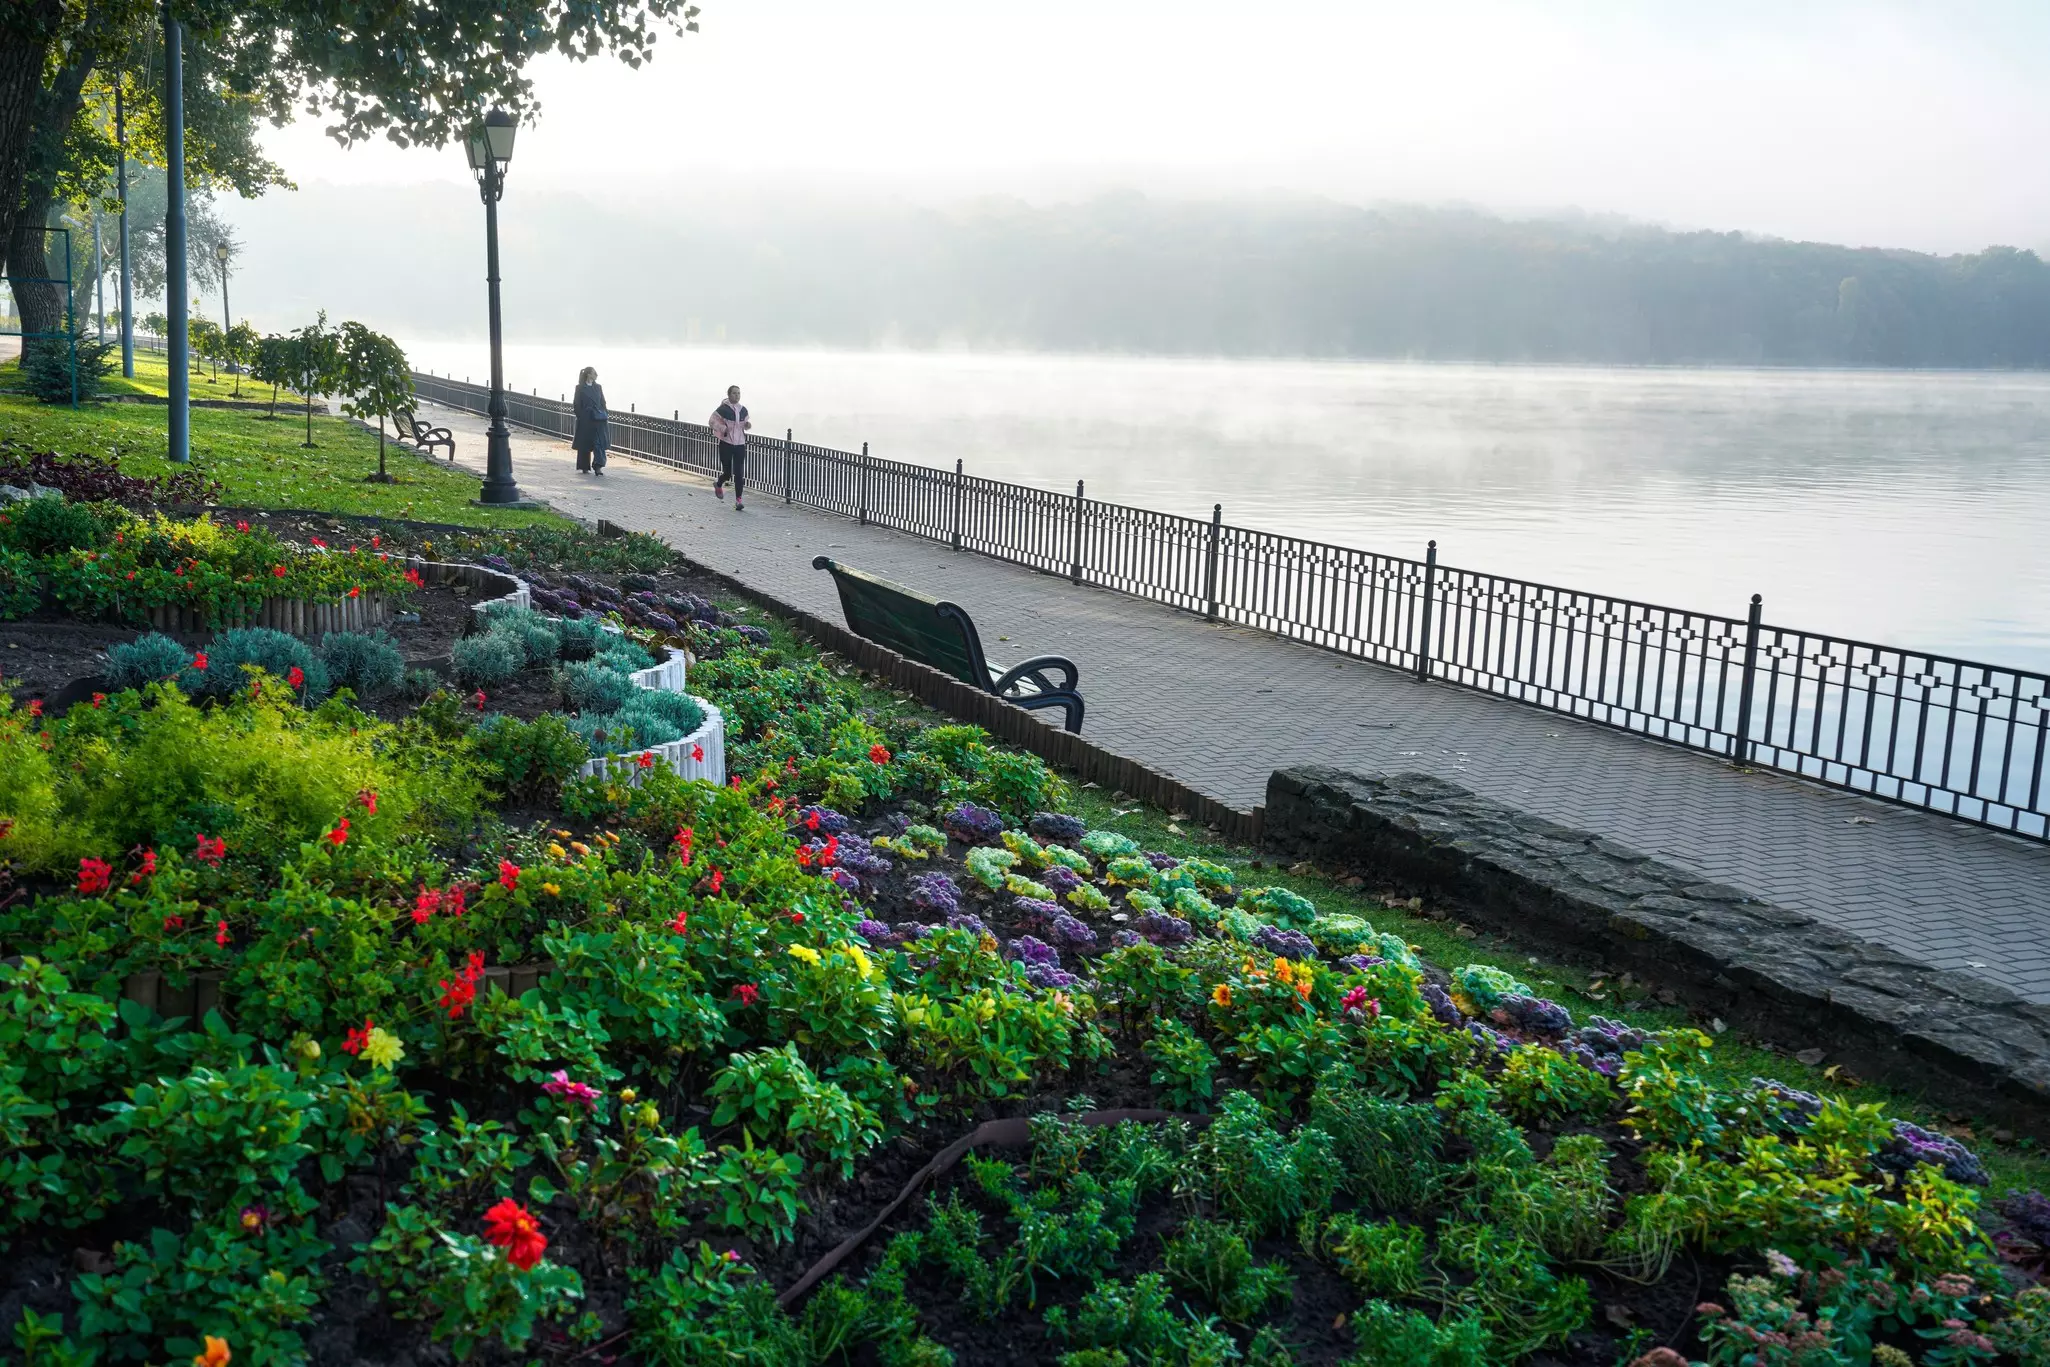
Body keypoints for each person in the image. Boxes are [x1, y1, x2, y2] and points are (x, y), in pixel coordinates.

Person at [709, 384, 750, 509]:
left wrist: (747, 425)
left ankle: (739, 501)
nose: (737, 395)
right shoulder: (723, 409)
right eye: (734, 393)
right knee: (728, 473)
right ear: (729, 395)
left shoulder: (743, 410)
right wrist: (723, 428)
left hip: (740, 444)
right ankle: (718, 483)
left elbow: (744, 423)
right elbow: (711, 422)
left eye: (738, 393)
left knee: (739, 473)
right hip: (726, 443)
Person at [572, 367, 609, 475]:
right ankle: (584, 466)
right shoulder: (580, 388)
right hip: (585, 419)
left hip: (598, 419)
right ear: (588, 375)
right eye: (594, 373)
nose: (596, 375)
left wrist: (604, 413)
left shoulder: (598, 387)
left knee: (598, 443)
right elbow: (576, 404)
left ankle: (598, 466)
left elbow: (603, 401)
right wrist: (581, 416)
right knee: (585, 443)